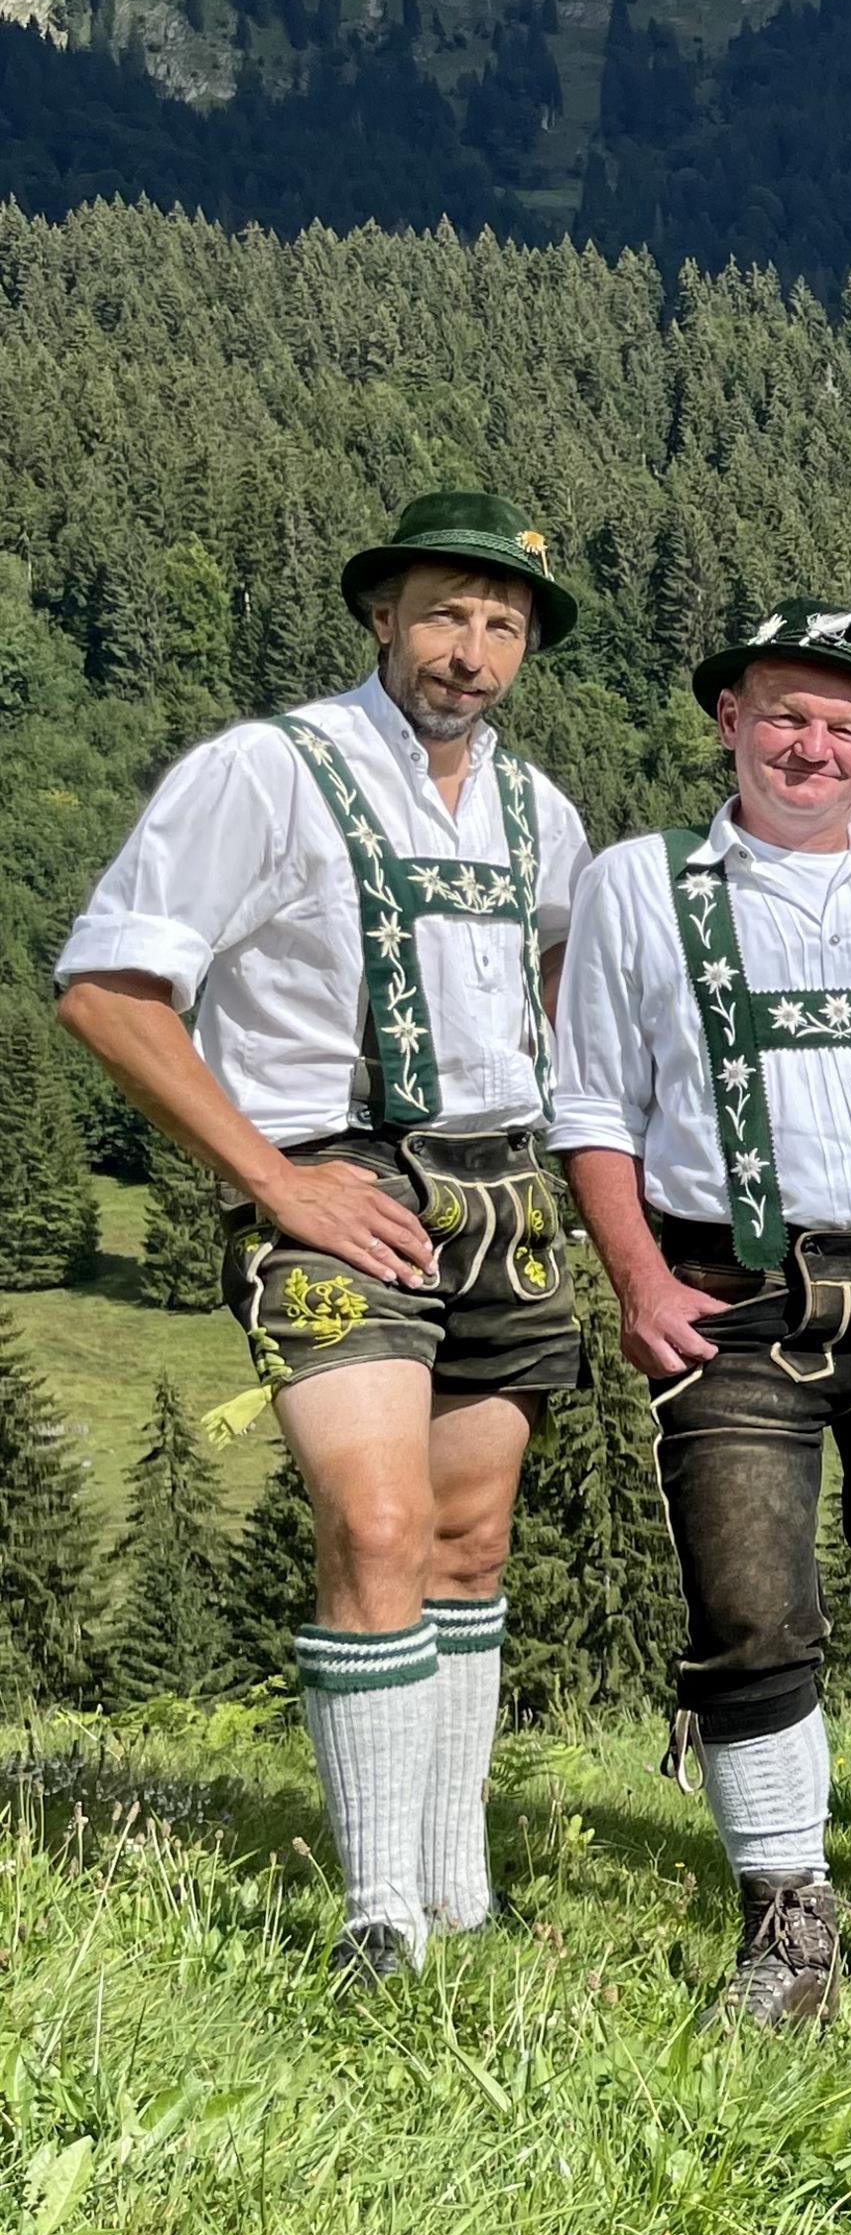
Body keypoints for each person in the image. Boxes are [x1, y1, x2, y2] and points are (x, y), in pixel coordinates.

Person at [56, 492, 595, 1984]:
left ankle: (455, 1882)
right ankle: (377, 1915)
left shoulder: (540, 811)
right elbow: (107, 990)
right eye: (444, 614)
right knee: (375, 1528)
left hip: (504, 1195)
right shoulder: (264, 771)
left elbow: (558, 960)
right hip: (334, 1183)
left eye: (501, 625)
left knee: (473, 1543)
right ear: (381, 617)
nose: (470, 651)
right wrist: (277, 1184)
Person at [552, 603, 851, 2023]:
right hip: (732, 1295)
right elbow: (590, 1104)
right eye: (783, 714)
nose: (810, 745)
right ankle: (785, 1920)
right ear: (727, 722)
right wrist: (639, 1277)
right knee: (750, 1616)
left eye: (842, 725)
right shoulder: (638, 886)